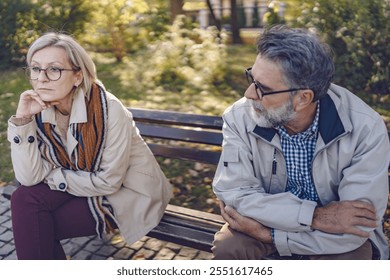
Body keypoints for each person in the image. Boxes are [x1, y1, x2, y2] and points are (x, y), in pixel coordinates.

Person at [212, 25, 389, 260]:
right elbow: (234, 196)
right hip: (287, 222)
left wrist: (270, 236)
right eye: (251, 78)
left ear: (303, 98)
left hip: (329, 237)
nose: (249, 94)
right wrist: (314, 216)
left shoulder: (365, 128)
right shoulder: (239, 116)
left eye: (263, 88)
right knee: (228, 247)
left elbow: (355, 228)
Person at [7, 32, 172, 260]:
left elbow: (110, 181)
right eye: (35, 68)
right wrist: (23, 121)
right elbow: (29, 178)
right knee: (24, 200)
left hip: (126, 193)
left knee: (36, 226)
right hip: (81, 179)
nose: (41, 78)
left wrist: (54, 177)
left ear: (77, 76)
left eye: (54, 69)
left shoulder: (108, 109)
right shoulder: (37, 109)